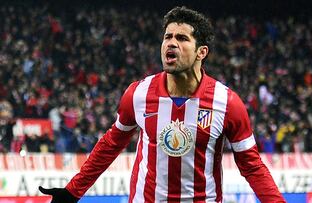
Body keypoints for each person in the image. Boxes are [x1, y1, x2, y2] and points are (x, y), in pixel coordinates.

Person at [39, 6, 285, 203]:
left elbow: (252, 166)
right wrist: (72, 192)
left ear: (201, 52)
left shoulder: (227, 102)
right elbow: (111, 144)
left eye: (181, 38)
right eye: (167, 37)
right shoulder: (138, 93)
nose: (171, 43)